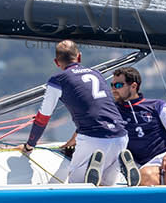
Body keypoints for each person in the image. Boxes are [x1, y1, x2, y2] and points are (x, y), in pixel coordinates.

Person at [20, 40, 136, 186]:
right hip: (120, 136)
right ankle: (121, 168)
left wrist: (29, 145)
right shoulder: (96, 73)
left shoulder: (58, 80)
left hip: (92, 139)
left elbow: (42, 118)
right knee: (108, 186)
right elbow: (98, 111)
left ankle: (89, 176)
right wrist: (72, 140)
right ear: (79, 57)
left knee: (77, 185)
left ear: (56, 62)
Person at [112, 67, 166, 186]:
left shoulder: (157, 105)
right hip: (146, 163)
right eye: (112, 85)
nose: (113, 89)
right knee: (147, 177)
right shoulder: (113, 111)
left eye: (118, 85)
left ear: (133, 86)